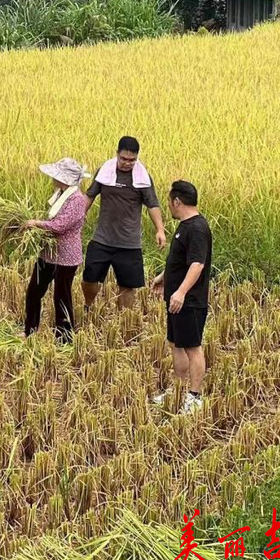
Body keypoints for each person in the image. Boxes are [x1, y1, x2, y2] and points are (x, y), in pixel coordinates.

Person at [82, 136, 167, 311]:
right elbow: (90, 195)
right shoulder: (104, 172)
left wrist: (160, 229)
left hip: (129, 242)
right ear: (117, 154)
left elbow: (152, 204)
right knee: (89, 280)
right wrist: (79, 216)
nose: (127, 163)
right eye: (123, 159)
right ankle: (88, 306)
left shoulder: (142, 178)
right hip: (102, 238)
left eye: (132, 160)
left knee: (127, 286)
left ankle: (123, 319)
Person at [151, 181, 212, 415]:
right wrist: (164, 278)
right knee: (176, 344)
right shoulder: (184, 227)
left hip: (190, 300)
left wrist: (181, 292)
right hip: (176, 298)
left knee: (192, 347)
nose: (169, 206)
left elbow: (197, 264)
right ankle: (178, 389)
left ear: (177, 201)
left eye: (170, 202)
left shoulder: (197, 228)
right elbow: (181, 261)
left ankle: (195, 396)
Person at [22, 158, 88, 343]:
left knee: (61, 297)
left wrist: (35, 223)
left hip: (66, 257)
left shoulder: (76, 200)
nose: (52, 178)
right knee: (34, 291)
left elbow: (59, 226)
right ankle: (30, 330)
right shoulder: (61, 194)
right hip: (49, 253)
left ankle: (64, 338)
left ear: (65, 179)